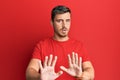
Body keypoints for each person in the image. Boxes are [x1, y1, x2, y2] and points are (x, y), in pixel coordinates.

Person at [26, 5, 95, 80]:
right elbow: (30, 72)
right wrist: (40, 77)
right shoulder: (42, 45)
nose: (64, 25)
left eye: (67, 20)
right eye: (59, 21)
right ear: (52, 23)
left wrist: (83, 75)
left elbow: (90, 70)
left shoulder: (79, 46)